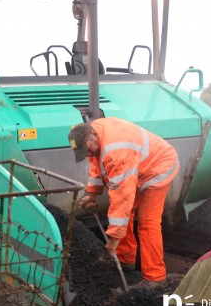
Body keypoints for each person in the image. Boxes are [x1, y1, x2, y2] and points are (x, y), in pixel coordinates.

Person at [68, 117, 179, 286]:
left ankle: (155, 278)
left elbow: (122, 200)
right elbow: (96, 165)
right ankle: (126, 260)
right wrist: (92, 193)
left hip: (158, 167)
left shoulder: (116, 151)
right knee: (123, 215)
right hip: (136, 166)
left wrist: (113, 239)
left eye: (87, 149)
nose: (88, 154)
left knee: (147, 222)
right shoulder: (91, 134)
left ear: (93, 136)